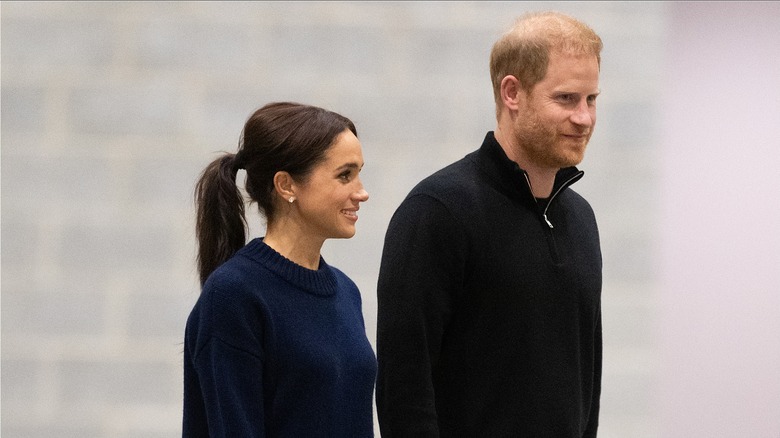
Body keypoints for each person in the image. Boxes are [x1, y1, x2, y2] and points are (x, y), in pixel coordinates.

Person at [376, 11, 604, 437]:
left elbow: (585, 391)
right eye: (567, 99)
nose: (584, 118)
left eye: (591, 100)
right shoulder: (437, 211)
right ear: (512, 92)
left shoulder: (581, 220)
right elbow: (403, 393)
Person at [182, 102, 376, 437]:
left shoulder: (346, 292)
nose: (362, 192)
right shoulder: (234, 294)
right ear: (286, 185)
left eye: (359, 173)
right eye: (345, 175)